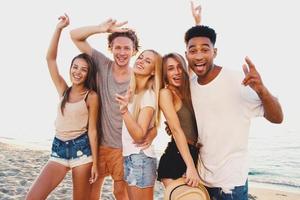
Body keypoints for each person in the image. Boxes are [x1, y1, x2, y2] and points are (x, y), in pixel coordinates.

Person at [184, 13, 284, 200]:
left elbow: (278, 118)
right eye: (193, 50)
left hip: (231, 184)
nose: (199, 56)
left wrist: (262, 90)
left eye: (205, 49)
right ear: (186, 54)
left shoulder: (238, 80)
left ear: (215, 52)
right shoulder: (191, 85)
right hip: (202, 179)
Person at [70, 19, 156, 199]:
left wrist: (153, 131)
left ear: (134, 51)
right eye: (118, 47)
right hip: (98, 144)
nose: (122, 52)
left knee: (120, 193)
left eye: (127, 48)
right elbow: (75, 36)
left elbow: (154, 108)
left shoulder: (139, 76)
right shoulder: (103, 64)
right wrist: (101, 28)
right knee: (91, 191)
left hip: (123, 148)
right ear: (110, 48)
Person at [26, 14, 99, 200]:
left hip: (82, 152)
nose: (78, 72)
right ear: (71, 68)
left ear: (88, 73)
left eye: (84, 69)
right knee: (32, 197)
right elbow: (50, 59)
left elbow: (92, 131)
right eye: (75, 67)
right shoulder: (63, 90)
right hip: (58, 149)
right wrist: (59, 29)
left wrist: (96, 164)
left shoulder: (91, 96)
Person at [115, 49, 162, 200]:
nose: (140, 61)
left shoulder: (148, 95)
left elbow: (139, 135)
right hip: (131, 157)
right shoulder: (134, 93)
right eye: (141, 57)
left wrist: (124, 112)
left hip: (140, 159)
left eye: (147, 61)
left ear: (154, 71)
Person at [157, 53, 201, 188]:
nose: (176, 72)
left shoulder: (190, 91)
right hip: (176, 159)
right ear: (164, 74)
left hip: (196, 155)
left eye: (179, 67)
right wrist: (191, 167)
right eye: (170, 69)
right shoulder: (166, 94)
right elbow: (176, 130)